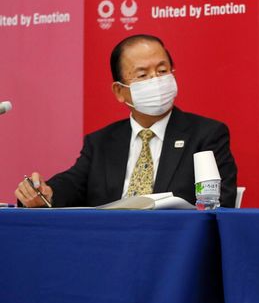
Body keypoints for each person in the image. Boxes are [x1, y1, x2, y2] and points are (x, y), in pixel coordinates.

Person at [15, 34, 238, 208]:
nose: (156, 80)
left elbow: (220, 203)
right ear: (120, 91)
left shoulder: (206, 135)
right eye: (142, 75)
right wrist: (44, 193)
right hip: (110, 247)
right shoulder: (100, 142)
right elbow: (72, 184)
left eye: (162, 70)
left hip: (174, 250)